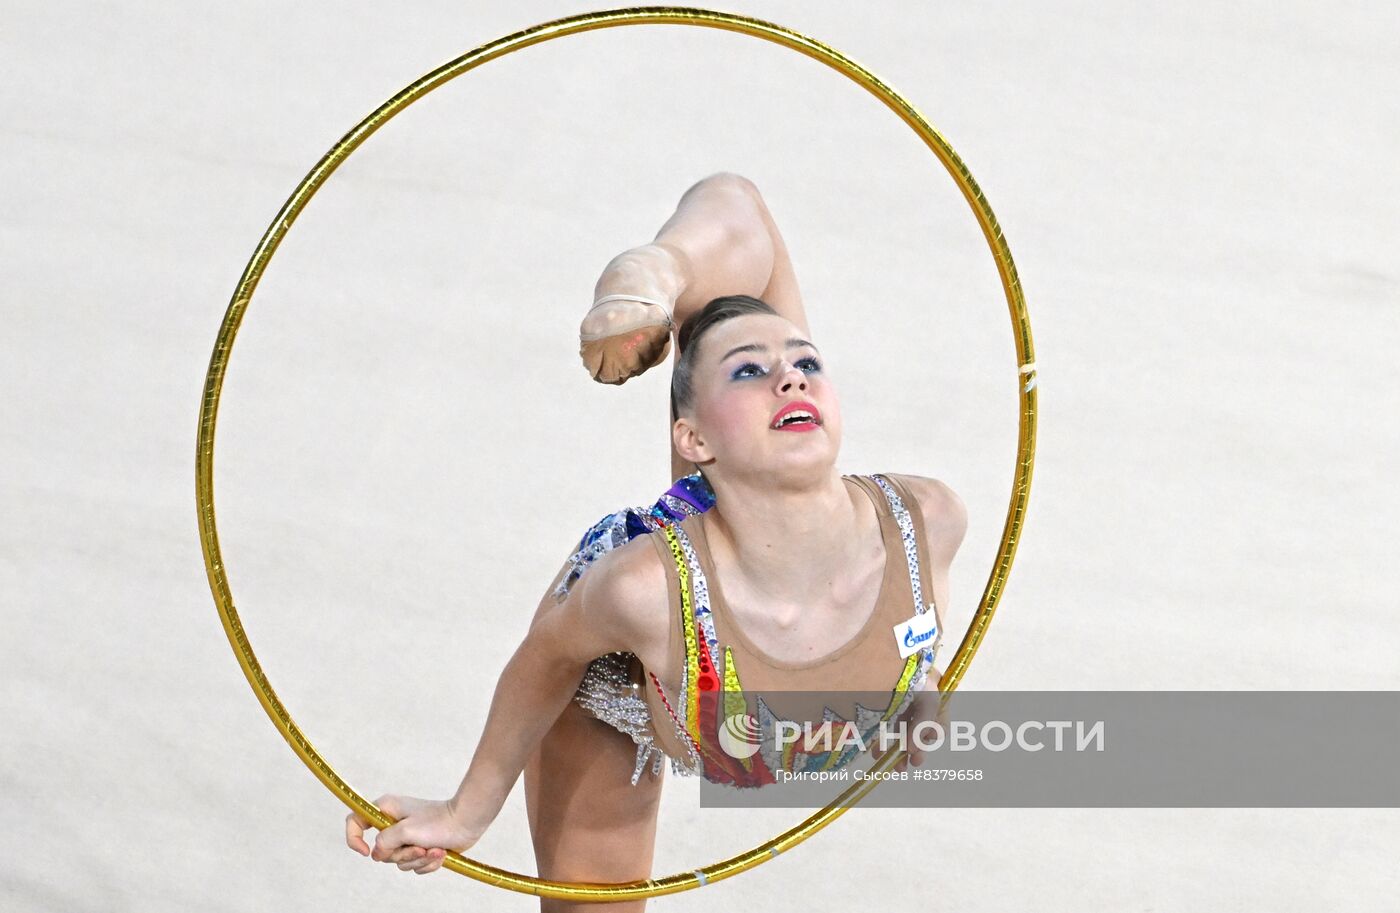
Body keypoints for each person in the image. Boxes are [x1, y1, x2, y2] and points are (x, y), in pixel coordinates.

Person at [343, 173, 968, 910]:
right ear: (689, 438)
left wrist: (918, 691)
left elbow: (920, 632)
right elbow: (545, 655)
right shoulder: (639, 589)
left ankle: (665, 277)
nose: (793, 381)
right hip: (623, 682)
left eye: (809, 365)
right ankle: (658, 280)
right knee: (736, 289)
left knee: (743, 278)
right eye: (757, 375)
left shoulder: (927, 519)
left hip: (737, 565)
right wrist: (465, 812)